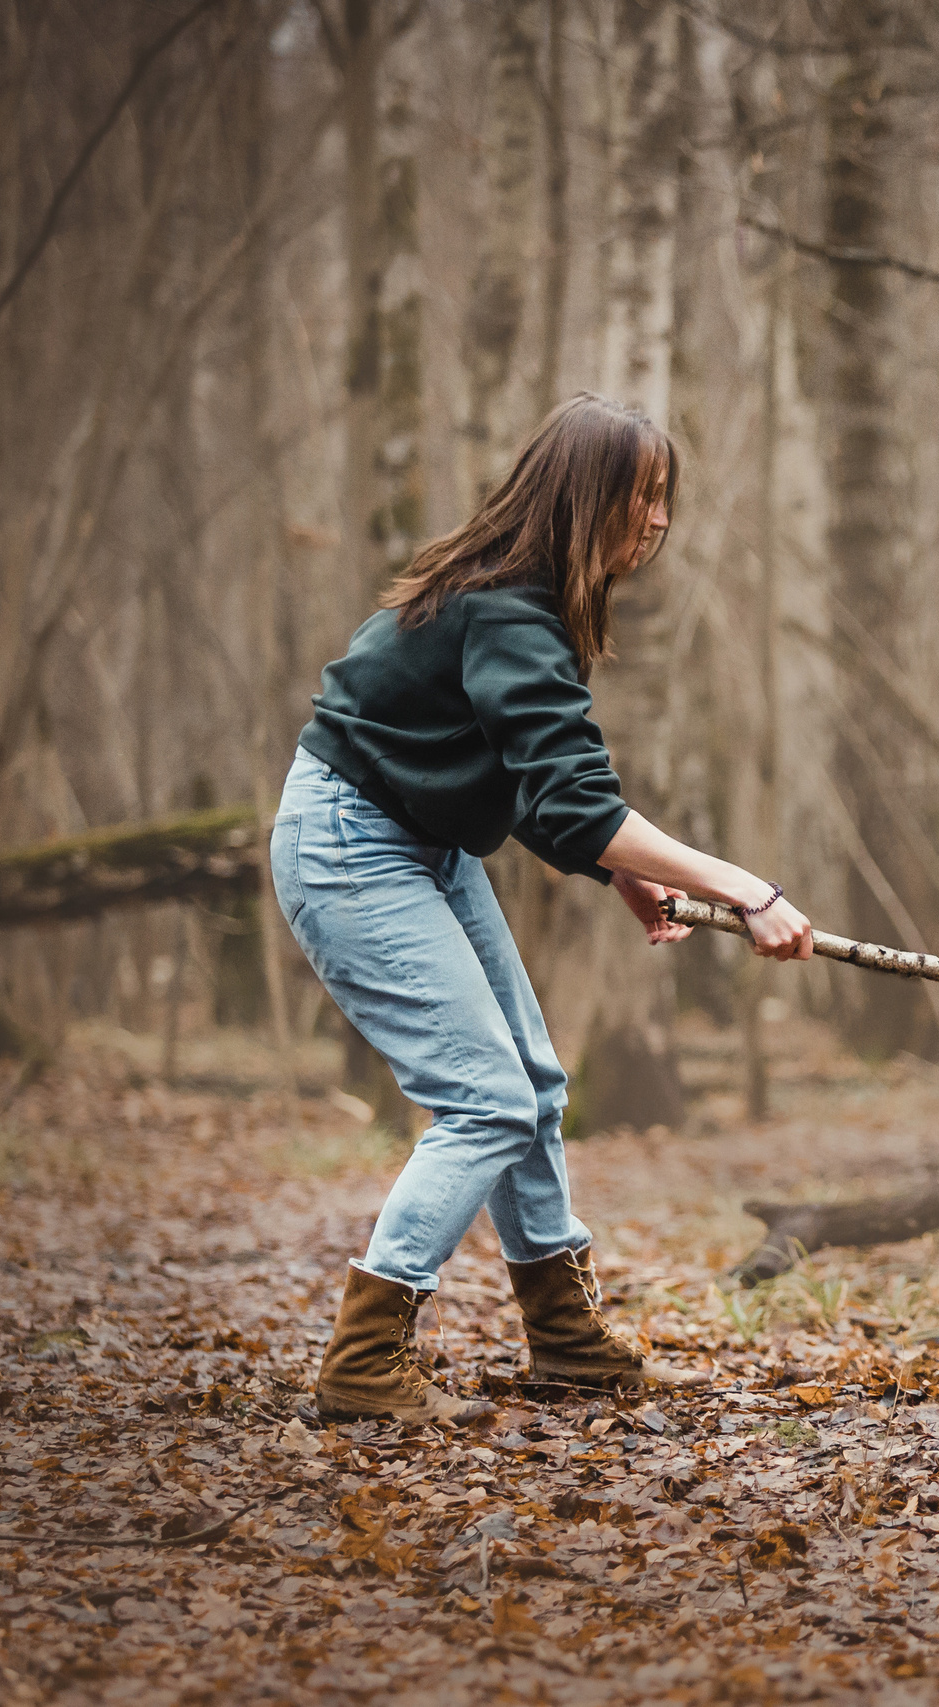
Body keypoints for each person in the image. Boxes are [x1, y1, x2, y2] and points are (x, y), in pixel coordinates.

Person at [271, 394, 812, 1424]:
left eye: (665, 497)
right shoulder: (507, 608)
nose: (659, 519)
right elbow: (574, 799)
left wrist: (618, 869)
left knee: (531, 1082)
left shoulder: (518, 603)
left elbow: (538, 785)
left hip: (418, 839)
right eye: (643, 496)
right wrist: (744, 887)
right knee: (486, 1100)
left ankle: (565, 1339)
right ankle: (363, 1360)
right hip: (351, 843)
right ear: (585, 497)